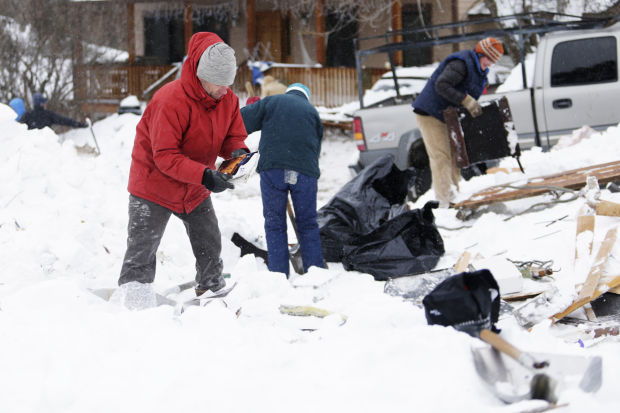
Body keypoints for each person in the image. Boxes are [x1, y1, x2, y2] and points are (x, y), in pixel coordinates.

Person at [118, 32, 249, 304]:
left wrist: (237, 153)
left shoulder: (228, 100)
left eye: (228, 83)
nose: (225, 90)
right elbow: (164, 156)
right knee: (142, 249)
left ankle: (211, 287)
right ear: (201, 75)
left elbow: (233, 136)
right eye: (219, 83)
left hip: (194, 185)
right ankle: (133, 298)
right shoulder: (170, 100)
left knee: (209, 240)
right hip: (153, 184)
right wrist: (204, 175)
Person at [240, 83, 325, 277]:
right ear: (306, 97)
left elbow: (242, 120)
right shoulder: (312, 112)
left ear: (288, 92)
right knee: (308, 223)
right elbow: (316, 148)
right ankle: (315, 273)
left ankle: (278, 275)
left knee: (274, 223)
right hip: (305, 173)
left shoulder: (272, 101)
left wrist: (254, 106)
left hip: (274, 169)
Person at [412, 37, 504, 206]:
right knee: (441, 156)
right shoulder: (461, 64)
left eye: (493, 61)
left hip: (447, 114)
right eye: (489, 59)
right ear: (481, 53)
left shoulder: (478, 70)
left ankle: (454, 193)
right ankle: (445, 200)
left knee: (455, 156)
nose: (490, 64)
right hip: (430, 113)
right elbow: (442, 85)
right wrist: (466, 100)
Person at [18, 93, 88, 130]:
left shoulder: (27, 115)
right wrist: (81, 124)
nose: (46, 104)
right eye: (44, 102)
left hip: (31, 148)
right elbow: (65, 121)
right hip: (47, 147)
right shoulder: (48, 115)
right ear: (41, 104)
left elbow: (17, 128)